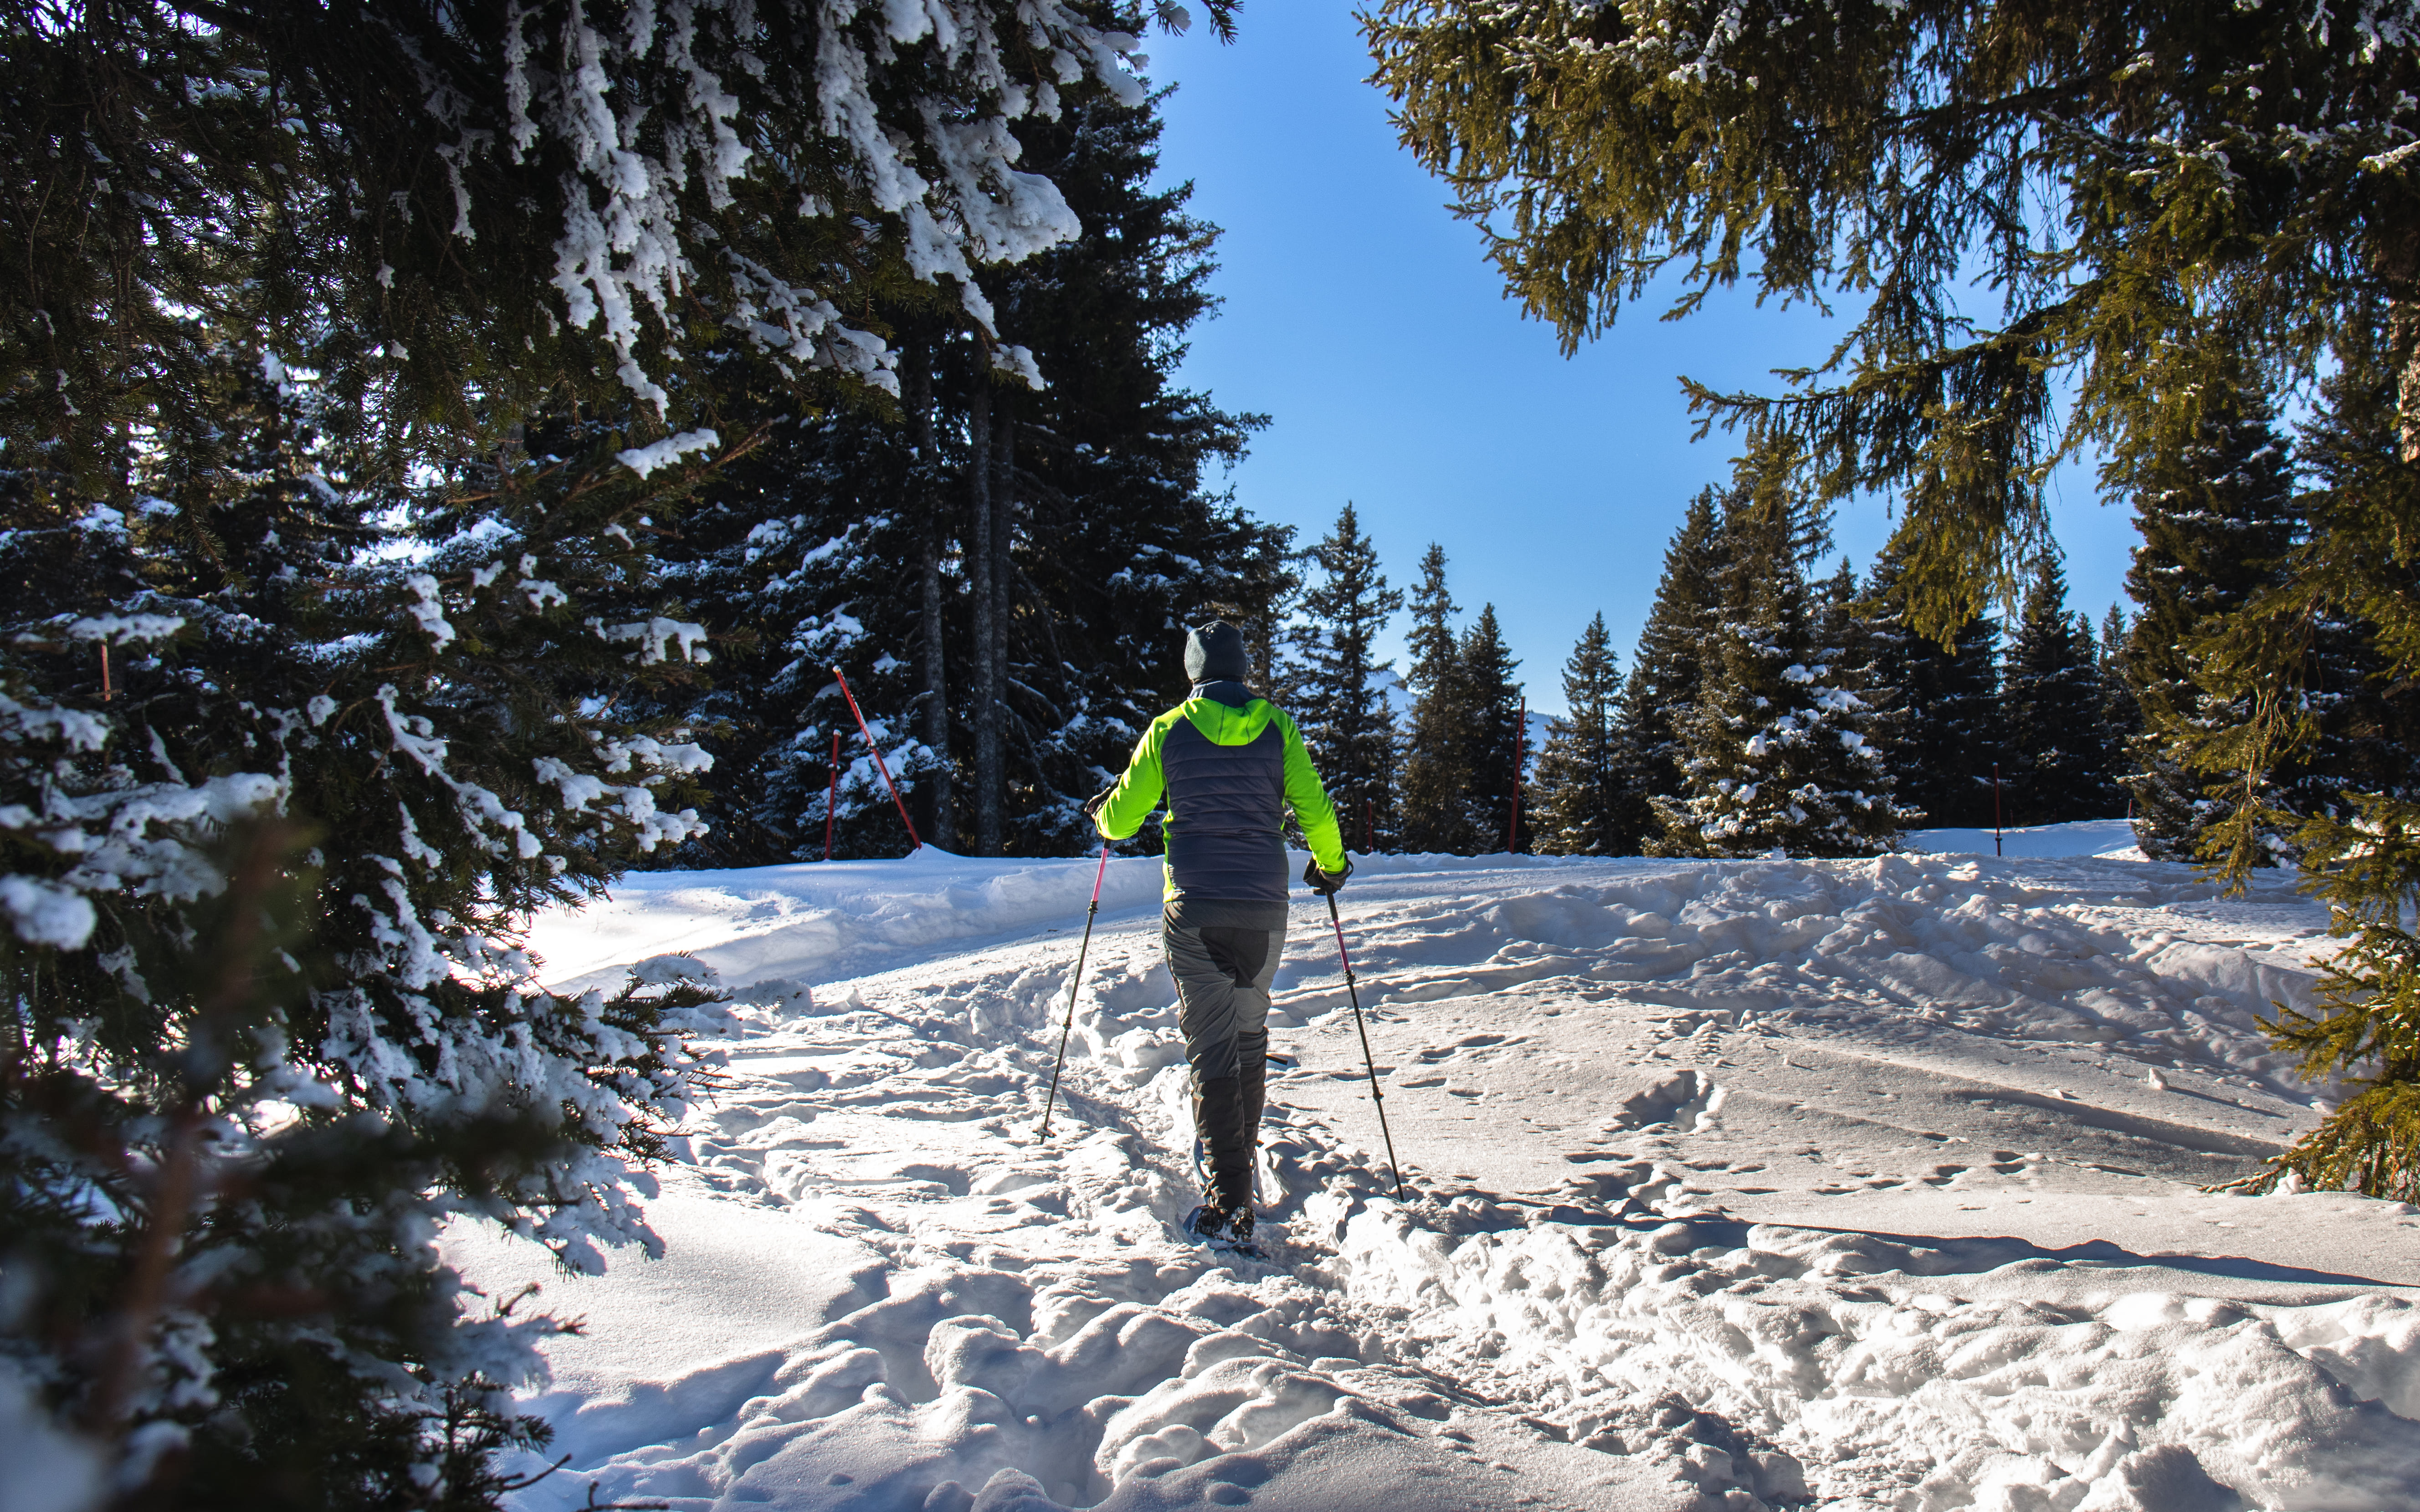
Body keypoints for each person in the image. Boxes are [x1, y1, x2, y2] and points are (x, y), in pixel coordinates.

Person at [1087, 620, 1350, 1246]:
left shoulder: (1169, 729)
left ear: (1194, 672)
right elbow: (1313, 806)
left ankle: (1229, 1200)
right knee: (1247, 1032)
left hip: (1196, 905)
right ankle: (1239, 1162)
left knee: (1211, 1043)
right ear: (1243, 668)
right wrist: (1332, 864)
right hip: (1264, 904)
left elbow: (1121, 823)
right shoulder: (1277, 725)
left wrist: (1104, 812)